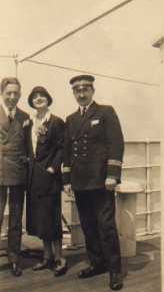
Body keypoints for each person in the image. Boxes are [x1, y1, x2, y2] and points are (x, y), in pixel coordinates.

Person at [63, 75, 124, 290]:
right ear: (74, 93)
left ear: (92, 91)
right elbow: (67, 151)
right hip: (80, 182)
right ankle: (97, 263)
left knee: (106, 226)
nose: (81, 94)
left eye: (85, 90)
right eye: (77, 91)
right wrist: (67, 179)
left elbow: (116, 143)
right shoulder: (71, 119)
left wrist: (112, 174)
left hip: (101, 180)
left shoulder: (105, 112)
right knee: (88, 226)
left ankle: (115, 270)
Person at [26, 86, 67, 277]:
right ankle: (47, 256)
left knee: (52, 217)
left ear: (48, 99)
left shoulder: (56, 122)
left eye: (42, 96)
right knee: (41, 218)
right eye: (35, 97)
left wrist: (53, 167)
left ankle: (60, 258)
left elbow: (62, 148)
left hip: (49, 178)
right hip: (34, 177)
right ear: (32, 101)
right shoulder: (30, 123)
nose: (39, 99)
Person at [0, 77, 29, 277]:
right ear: (2, 93)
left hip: (18, 172)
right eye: (9, 93)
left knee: (16, 219)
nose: (12, 97)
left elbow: (28, 147)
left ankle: (14, 259)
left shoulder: (24, 116)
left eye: (16, 93)